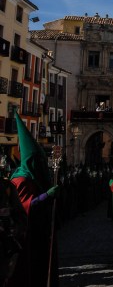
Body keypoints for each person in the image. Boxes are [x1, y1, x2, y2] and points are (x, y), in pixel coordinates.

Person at [8, 113, 59, 287]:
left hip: (38, 230)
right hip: (27, 235)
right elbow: (25, 207)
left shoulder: (31, 177)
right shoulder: (21, 179)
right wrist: (46, 196)